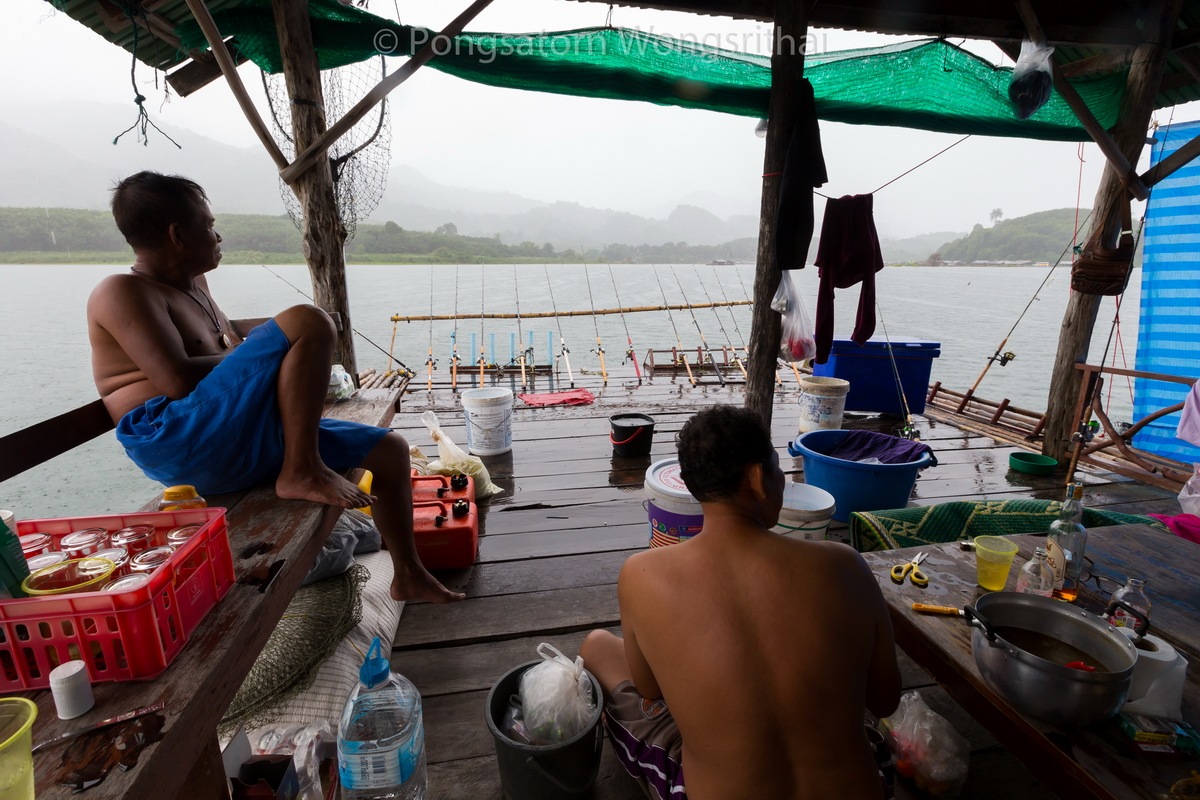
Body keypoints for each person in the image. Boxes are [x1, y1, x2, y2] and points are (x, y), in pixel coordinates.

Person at [87, 171, 462, 604]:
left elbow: (221, 343)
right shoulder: (121, 291)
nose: (218, 234)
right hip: (175, 437)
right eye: (208, 225)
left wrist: (273, 338)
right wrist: (285, 342)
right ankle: (300, 469)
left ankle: (409, 574)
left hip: (228, 432)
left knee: (390, 450)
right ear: (177, 234)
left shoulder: (195, 286)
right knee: (308, 320)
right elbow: (175, 380)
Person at [580, 405, 901, 799]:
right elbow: (884, 701)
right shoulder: (844, 564)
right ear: (757, 478)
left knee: (596, 645)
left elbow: (648, 688)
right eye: (779, 469)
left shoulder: (641, 574)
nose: (782, 480)